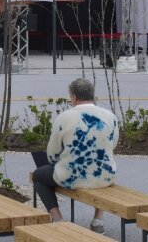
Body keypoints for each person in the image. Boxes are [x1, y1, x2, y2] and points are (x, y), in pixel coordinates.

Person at [32, 78, 118, 234]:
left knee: (38, 176)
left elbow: (52, 155)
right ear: (92, 96)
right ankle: (97, 220)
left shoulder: (64, 117)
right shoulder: (110, 116)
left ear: (73, 97)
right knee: (100, 168)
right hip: (106, 176)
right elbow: (112, 146)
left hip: (71, 176)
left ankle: (58, 219)